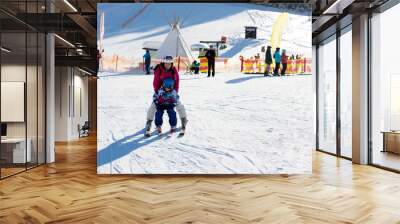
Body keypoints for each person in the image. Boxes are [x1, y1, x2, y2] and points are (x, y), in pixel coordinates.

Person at [145, 56, 188, 136]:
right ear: (163, 63)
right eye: (166, 63)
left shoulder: (173, 71)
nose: (167, 65)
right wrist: (158, 93)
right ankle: (149, 121)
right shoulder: (159, 70)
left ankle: (184, 119)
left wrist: (174, 93)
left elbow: (177, 83)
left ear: (171, 63)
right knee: (153, 106)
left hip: (172, 91)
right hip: (161, 91)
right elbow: (156, 83)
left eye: (169, 63)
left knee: (179, 105)